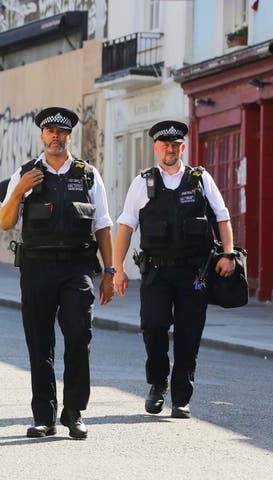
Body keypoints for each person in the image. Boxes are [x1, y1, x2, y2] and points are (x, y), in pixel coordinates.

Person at [0, 107, 114, 440]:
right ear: (42, 136)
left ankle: (74, 412)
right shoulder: (26, 172)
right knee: (40, 343)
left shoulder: (88, 174)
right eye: (50, 131)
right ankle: (44, 417)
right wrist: (20, 189)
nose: (55, 137)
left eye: (61, 132)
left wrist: (110, 270)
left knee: (79, 336)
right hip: (37, 267)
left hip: (77, 268)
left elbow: (103, 225)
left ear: (69, 137)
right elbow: (5, 221)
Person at [113, 120, 235, 419]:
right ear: (156, 147)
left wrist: (229, 254)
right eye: (164, 144)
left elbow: (222, 217)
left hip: (194, 273)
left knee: (188, 335)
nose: (170, 149)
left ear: (183, 147)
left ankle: (181, 398)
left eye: (175, 145)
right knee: (153, 326)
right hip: (156, 272)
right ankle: (157, 384)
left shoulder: (200, 179)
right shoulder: (143, 182)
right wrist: (117, 268)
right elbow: (126, 226)